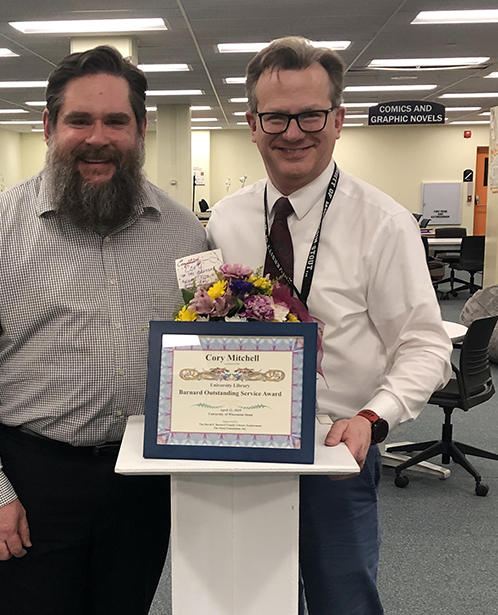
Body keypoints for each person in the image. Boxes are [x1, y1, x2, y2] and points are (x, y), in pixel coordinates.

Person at [0, 46, 207, 615]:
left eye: (116, 121)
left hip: (142, 479)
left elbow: (202, 352)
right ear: (50, 125)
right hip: (33, 479)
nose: (97, 137)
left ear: (142, 128)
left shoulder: (183, 234)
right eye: (79, 120)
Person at [206, 36, 452, 615]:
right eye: (275, 116)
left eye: (311, 114)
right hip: (235, 446)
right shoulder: (226, 219)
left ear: (338, 120)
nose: (293, 132)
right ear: (252, 123)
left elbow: (425, 344)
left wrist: (374, 418)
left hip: (334, 448)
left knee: (342, 599)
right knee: (245, 600)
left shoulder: (383, 224)